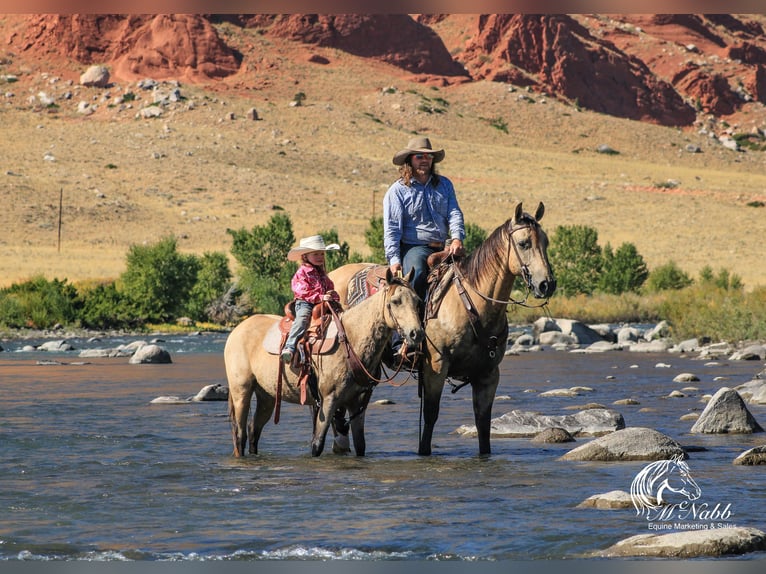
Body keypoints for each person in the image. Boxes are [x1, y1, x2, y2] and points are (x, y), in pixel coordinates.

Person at [382, 136, 466, 361]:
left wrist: (457, 238)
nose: (425, 160)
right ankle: (403, 341)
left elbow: (454, 213)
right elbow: (391, 228)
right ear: (410, 160)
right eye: (420, 156)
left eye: (428, 156)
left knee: (473, 275)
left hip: (444, 247)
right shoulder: (398, 191)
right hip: (414, 247)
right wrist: (394, 258)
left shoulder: (445, 185)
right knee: (416, 276)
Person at [281, 235, 340, 364]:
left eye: (322, 254)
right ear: (305, 256)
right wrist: (320, 297)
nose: (320, 257)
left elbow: (329, 285)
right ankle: (289, 347)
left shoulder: (322, 272)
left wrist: (331, 294)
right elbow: (302, 291)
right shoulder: (302, 272)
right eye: (316, 254)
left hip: (322, 303)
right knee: (303, 319)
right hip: (305, 303)